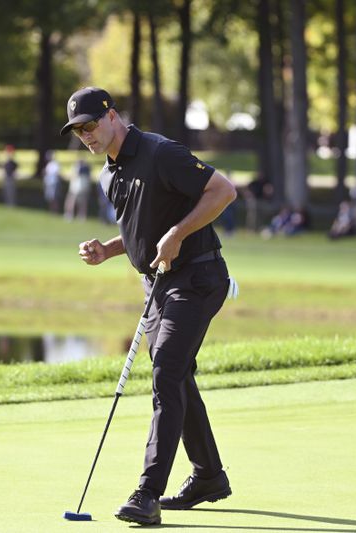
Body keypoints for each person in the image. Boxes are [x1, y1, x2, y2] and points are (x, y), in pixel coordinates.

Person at [64, 87, 236, 526]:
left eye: (90, 125)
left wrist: (178, 234)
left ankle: (147, 494)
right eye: (77, 130)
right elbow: (144, 233)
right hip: (158, 286)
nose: (85, 135)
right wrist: (109, 249)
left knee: (166, 371)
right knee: (175, 374)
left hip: (197, 278)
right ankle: (209, 476)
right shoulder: (109, 175)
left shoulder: (161, 153)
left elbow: (223, 191)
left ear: (112, 116)